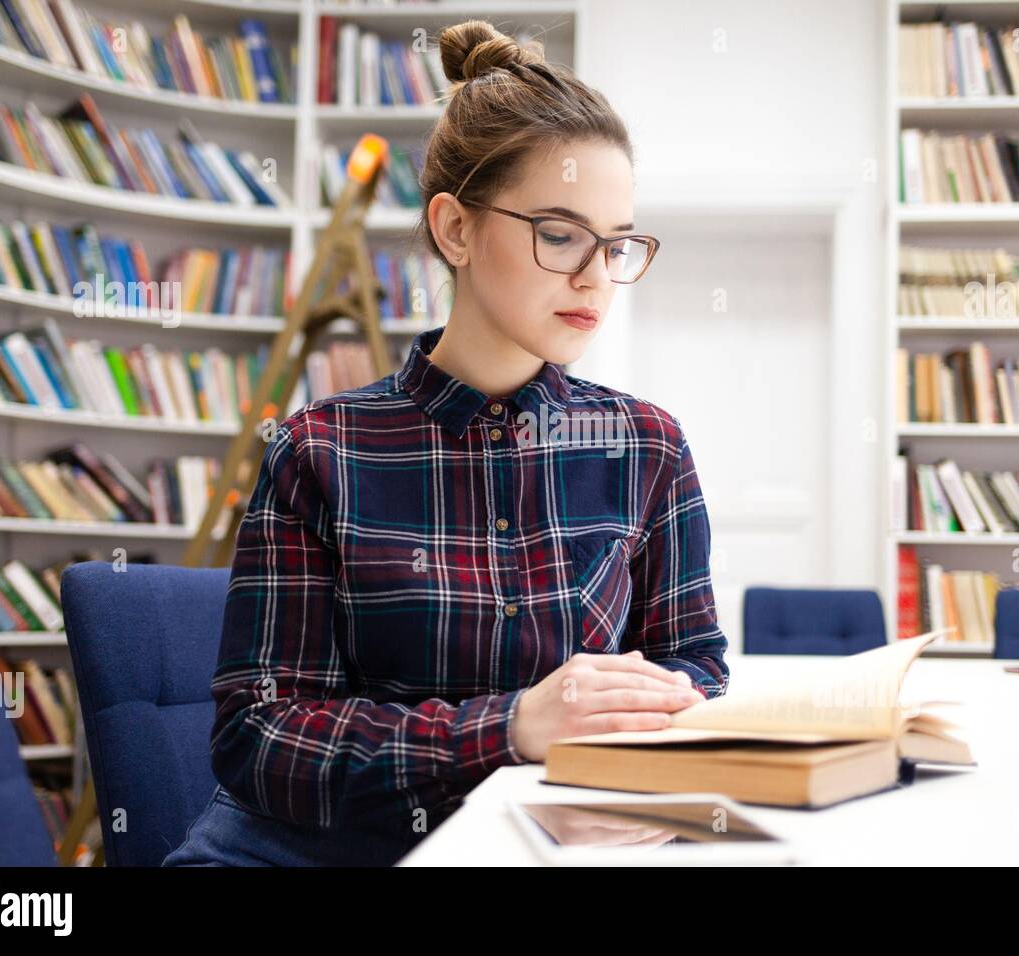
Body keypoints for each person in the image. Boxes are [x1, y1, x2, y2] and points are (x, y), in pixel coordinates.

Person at [163, 18, 728, 867]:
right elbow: (262, 739)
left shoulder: (645, 447)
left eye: (616, 245)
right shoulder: (319, 451)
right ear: (456, 230)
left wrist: (648, 715)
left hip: (550, 843)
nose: (594, 278)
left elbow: (695, 663)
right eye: (561, 233)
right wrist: (512, 727)